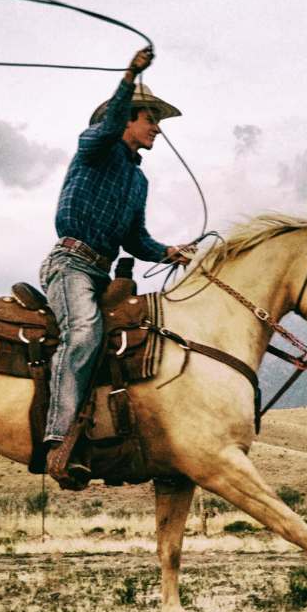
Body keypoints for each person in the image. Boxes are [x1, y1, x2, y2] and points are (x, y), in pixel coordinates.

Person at [40, 46, 189, 484]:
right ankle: (59, 433)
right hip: (69, 263)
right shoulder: (96, 149)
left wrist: (168, 252)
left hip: (102, 271)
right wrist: (130, 77)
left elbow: (135, 238)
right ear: (127, 120)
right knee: (83, 331)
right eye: (151, 120)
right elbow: (103, 129)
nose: (158, 130)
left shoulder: (138, 179)